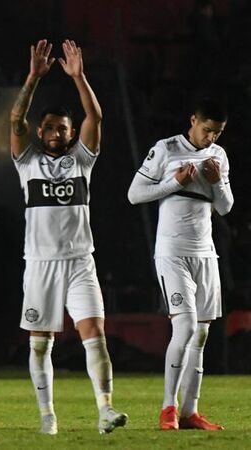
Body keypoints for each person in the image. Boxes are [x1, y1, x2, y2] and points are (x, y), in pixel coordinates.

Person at [10, 39, 128, 435]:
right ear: (40, 131)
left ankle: (105, 410)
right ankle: (47, 416)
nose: (54, 132)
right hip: (40, 262)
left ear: (70, 132)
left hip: (80, 261)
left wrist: (79, 78)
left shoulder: (81, 160)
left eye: (62, 128)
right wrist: (32, 78)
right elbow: (14, 121)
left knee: (95, 334)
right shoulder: (27, 161)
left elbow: (96, 115)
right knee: (40, 343)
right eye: (48, 127)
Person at [128, 98, 233, 431]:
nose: (211, 138)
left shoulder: (218, 156)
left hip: (205, 253)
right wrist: (175, 183)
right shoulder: (166, 149)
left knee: (201, 334)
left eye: (217, 133)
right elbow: (134, 194)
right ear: (193, 120)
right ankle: (168, 408)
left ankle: (190, 412)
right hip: (172, 251)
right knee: (185, 327)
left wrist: (216, 182)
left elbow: (226, 207)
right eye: (207, 130)